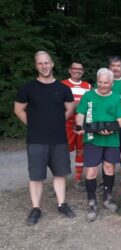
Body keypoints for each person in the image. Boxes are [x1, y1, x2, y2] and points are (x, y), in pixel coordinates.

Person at [14, 51, 76, 226]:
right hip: (36, 139)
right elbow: (18, 110)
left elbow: (69, 109)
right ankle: (36, 208)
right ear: (36, 66)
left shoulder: (63, 89)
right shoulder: (28, 88)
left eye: (47, 62)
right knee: (36, 176)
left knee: (60, 173)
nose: (44, 66)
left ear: (52, 64)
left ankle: (61, 204)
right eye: (40, 63)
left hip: (59, 139)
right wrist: (33, 125)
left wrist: (55, 123)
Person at [75, 68, 121, 221]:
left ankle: (107, 197)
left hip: (111, 139)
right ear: (97, 81)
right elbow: (80, 115)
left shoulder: (116, 98)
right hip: (92, 138)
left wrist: (111, 129)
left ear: (111, 83)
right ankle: (91, 201)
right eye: (100, 82)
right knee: (91, 171)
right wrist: (79, 126)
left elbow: (120, 120)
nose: (102, 85)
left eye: (106, 83)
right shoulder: (88, 96)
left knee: (109, 168)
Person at [62, 60, 92, 191]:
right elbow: (56, 103)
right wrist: (69, 105)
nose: (77, 71)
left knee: (81, 151)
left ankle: (78, 179)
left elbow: (91, 104)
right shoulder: (62, 84)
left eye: (80, 69)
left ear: (83, 71)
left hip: (82, 124)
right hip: (66, 123)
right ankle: (60, 181)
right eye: (75, 68)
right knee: (62, 152)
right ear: (70, 70)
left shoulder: (88, 86)